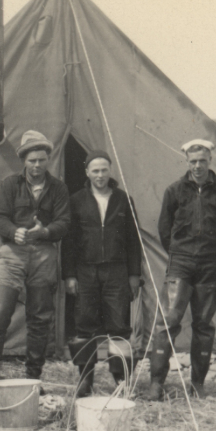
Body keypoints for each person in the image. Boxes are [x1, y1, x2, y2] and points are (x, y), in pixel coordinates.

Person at [145, 138, 216, 400]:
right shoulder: (175, 191)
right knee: (169, 321)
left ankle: (198, 383)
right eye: (193, 161)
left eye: (202, 161)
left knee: (204, 325)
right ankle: (156, 383)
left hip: (208, 265)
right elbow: (165, 229)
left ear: (210, 161)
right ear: (186, 162)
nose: (198, 166)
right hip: (181, 264)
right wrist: (180, 252)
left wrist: (211, 253)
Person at [0, 130, 71, 382]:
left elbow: (64, 222)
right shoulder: (9, 185)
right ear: (23, 160)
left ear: (48, 159)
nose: (37, 165)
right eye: (32, 161)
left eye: (42, 160)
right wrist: (14, 232)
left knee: (40, 319)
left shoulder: (59, 189)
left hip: (44, 254)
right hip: (12, 253)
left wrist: (45, 231)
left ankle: (33, 378)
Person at [62, 150, 144, 396]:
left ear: (110, 172)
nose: (100, 175)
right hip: (85, 271)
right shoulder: (76, 200)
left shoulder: (123, 199)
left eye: (104, 170)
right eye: (95, 171)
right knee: (85, 324)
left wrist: (133, 275)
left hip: (117, 271)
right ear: (87, 173)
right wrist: (70, 275)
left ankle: (119, 379)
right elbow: (69, 241)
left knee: (118, 325)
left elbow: (133, 240)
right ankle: (85, 378)